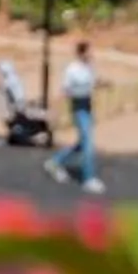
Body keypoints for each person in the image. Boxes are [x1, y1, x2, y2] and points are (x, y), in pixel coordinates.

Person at [46, 39, 102, 193]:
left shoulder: (89, 67)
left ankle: (55, 162)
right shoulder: (73, 70)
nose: (93, 54)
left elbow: (91, 83)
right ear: (82, 52)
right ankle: (88, 178)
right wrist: (54, 110)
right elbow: (65, 90)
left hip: (88, 105)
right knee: (88, 144)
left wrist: (102, 84)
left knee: (82, 143)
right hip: (78, 108)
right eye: (90, 51)